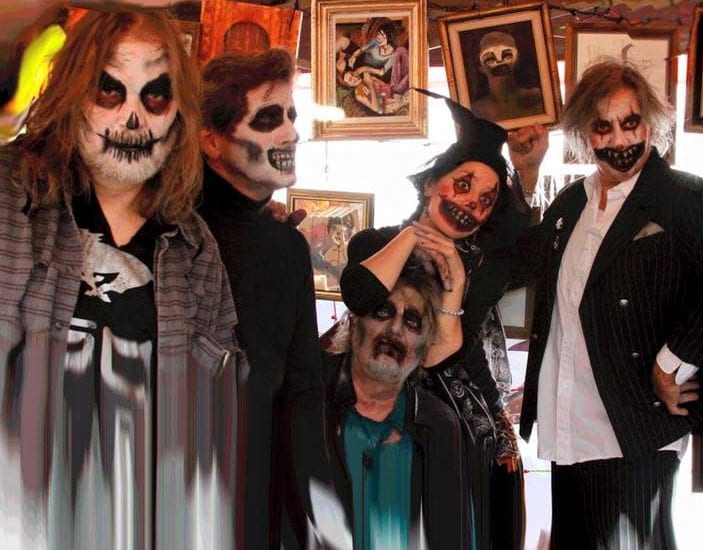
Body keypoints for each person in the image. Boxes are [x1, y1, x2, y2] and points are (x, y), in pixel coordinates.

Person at [0, 7, 244, 549]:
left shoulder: (195, 249)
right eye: (109, 90)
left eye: (154, 95)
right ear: (72, 94)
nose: (132, 118)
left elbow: (210, 420)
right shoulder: (9, 197)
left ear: (178, 113)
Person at [509, 59, 703, 548]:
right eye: (603, 127)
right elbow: (518, 262)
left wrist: (672, 364)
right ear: (584, 133)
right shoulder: (572, 203)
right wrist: (526, 171)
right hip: (568, 425)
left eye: (630, 122)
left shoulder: (680, 195)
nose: (620, 139)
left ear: (649, 124)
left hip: (633, 424)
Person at [338, 91, 532, 549]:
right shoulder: (375, 243)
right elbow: (361, 294)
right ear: (430, 184)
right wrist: (413, 236)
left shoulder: (484, 267)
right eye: (462, 185)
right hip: (378, 417)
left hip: (468, 427)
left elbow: (443, 354)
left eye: (485, 200)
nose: (470, 204)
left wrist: (456, 283)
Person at [198, 48, 321, 550]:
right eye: (268, 118)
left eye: (291, 115)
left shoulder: (288, 246)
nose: (291, 133)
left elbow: (301, 395)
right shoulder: (168, 231)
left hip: (254, 498)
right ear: (211, 138)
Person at [276, 258, 471, 549]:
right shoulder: (301, 396)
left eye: (412, 321)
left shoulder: (440, 424)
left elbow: (449, 537)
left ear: (425, 347)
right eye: (383, 312)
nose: (395, 329)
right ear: (354, 320)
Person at [471, 30, 544, 123]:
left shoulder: (536, 98)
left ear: (517, 58)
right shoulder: (477, 110)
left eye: (506, 55)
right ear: (481, 67)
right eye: (489, 58)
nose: (499, 61)